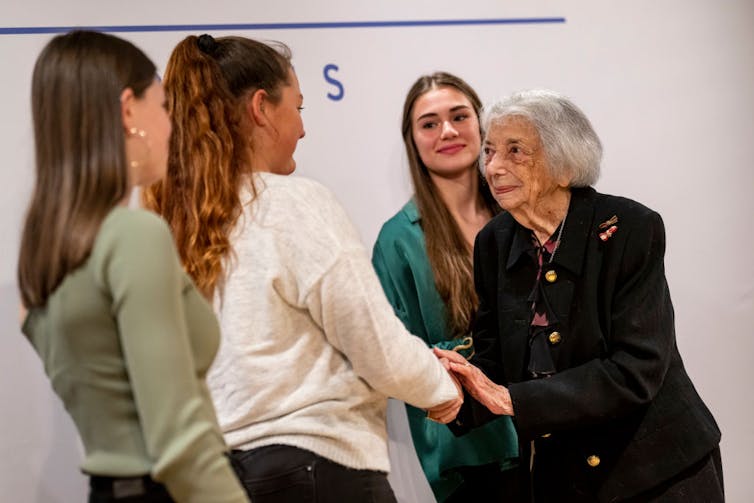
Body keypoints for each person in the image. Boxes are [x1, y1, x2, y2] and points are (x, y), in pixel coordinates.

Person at [142, 34, 461, 503]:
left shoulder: (165, 228)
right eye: (298, 108)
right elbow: (375, 345)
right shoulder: (293, 204)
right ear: (260, 108)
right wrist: (444, 388)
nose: (303, 129)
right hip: (315, 473)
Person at [437, 89, 723, 502]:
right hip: (563, 477)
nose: (494, 168)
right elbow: (495, 357)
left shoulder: (628, 228)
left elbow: (636, 369)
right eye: (489, 151)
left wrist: (511, 398)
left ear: (564, 164)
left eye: (515, 151)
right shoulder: (494, 242)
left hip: (657, 471)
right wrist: (453, 392)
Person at [17, 31, 249, 503]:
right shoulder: (134, 237)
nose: (171, 125)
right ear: (128, 110)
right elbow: (180, 442)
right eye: (162, 105)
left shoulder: (45, 258)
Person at [372, 72, 520, 502]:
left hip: (549, 438)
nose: (449, 131)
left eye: (459, 116)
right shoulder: (397, 240)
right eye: (430, 123)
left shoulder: (524, 217)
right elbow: (399, 356)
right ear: (412, 140)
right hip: (470, 459)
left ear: (482, 123)